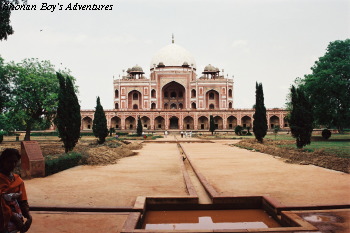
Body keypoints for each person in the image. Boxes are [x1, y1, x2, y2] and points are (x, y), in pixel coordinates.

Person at [0, 149, 32, 233]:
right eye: (9, 162)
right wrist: (13, 218)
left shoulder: (18, 180)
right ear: (3, 161)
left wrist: (29, 217)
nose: (13, 165)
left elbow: (23, 201)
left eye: (15, 162)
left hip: (14, 225)